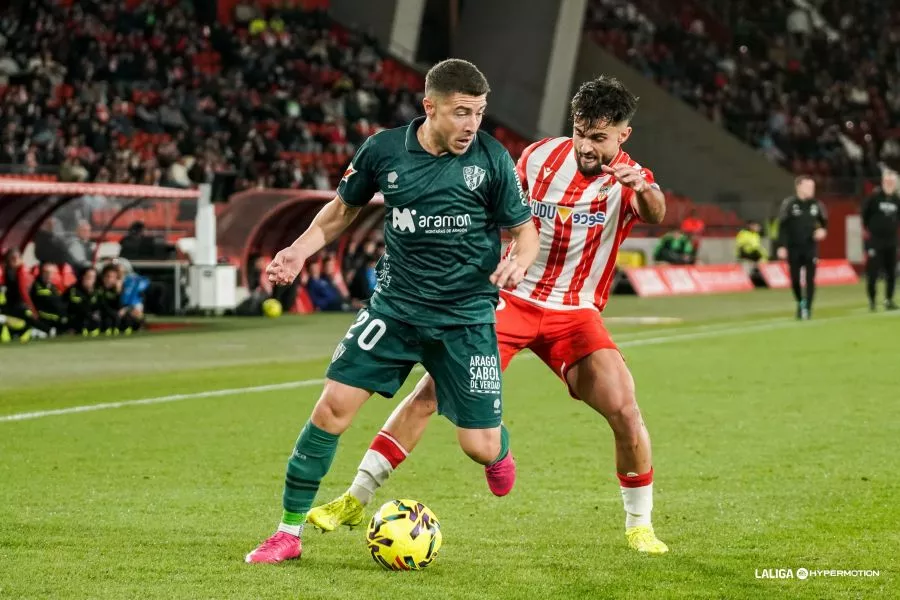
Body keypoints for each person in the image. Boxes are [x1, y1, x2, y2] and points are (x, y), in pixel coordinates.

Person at [308, 75, 670, 555]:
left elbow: (655, 211)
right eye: (580, 132)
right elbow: (498, 204)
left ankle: (640, 524)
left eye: (599, 138)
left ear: (623, 135)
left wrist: (643, 187)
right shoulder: (538, 158)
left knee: (623, 407)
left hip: (575, 312)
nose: (586, 146)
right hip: (509, 300)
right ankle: (355, 498)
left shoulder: (631, 179)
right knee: (430, 393)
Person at [245, 58, 540, 564]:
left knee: (479, 447)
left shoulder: (492, 158)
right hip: (395, 308)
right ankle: (287, 533)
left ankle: (499, 445)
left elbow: (524, 231)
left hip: (466, 317)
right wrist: (297, 250)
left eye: (479, 112)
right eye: (461, 112)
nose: (472, 124)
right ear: (430, 107)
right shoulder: (384, 150)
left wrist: (519, 260)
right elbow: (341, 211)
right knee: (332, 408)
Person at [776, 175, 827, 320]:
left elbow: (824, 223)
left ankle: (807, 308)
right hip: (794, 247)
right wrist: (781, 246)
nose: (812, 190)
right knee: (795, 280)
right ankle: (800, 302)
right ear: (799, 187)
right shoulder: (789, 204)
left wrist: (822, 231)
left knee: (810, 279)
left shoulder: (817, 205)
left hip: (810, 247)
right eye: (808, 187)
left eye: (812, 187)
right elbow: (782, 226)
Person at [861, 170, 899, 311]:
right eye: (887, 181)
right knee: (873, 272)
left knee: (891, 273)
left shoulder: (897, 199)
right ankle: (872, 300)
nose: (890, 184)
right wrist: (868, 230)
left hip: (891, 241)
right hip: (875, 241)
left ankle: (889, 300)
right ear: (883, 182)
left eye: (892, 182)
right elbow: (865, 214)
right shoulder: (874, 197)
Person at [65, 267, 101, 335]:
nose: (90, 280)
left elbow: (99, 306)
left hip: (91, 320)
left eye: (93, 277)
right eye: (88, 277)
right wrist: (89, 294)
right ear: (83, 277)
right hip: (74, 320)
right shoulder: (74, 290)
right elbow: (77, 307)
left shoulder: (96, 291)